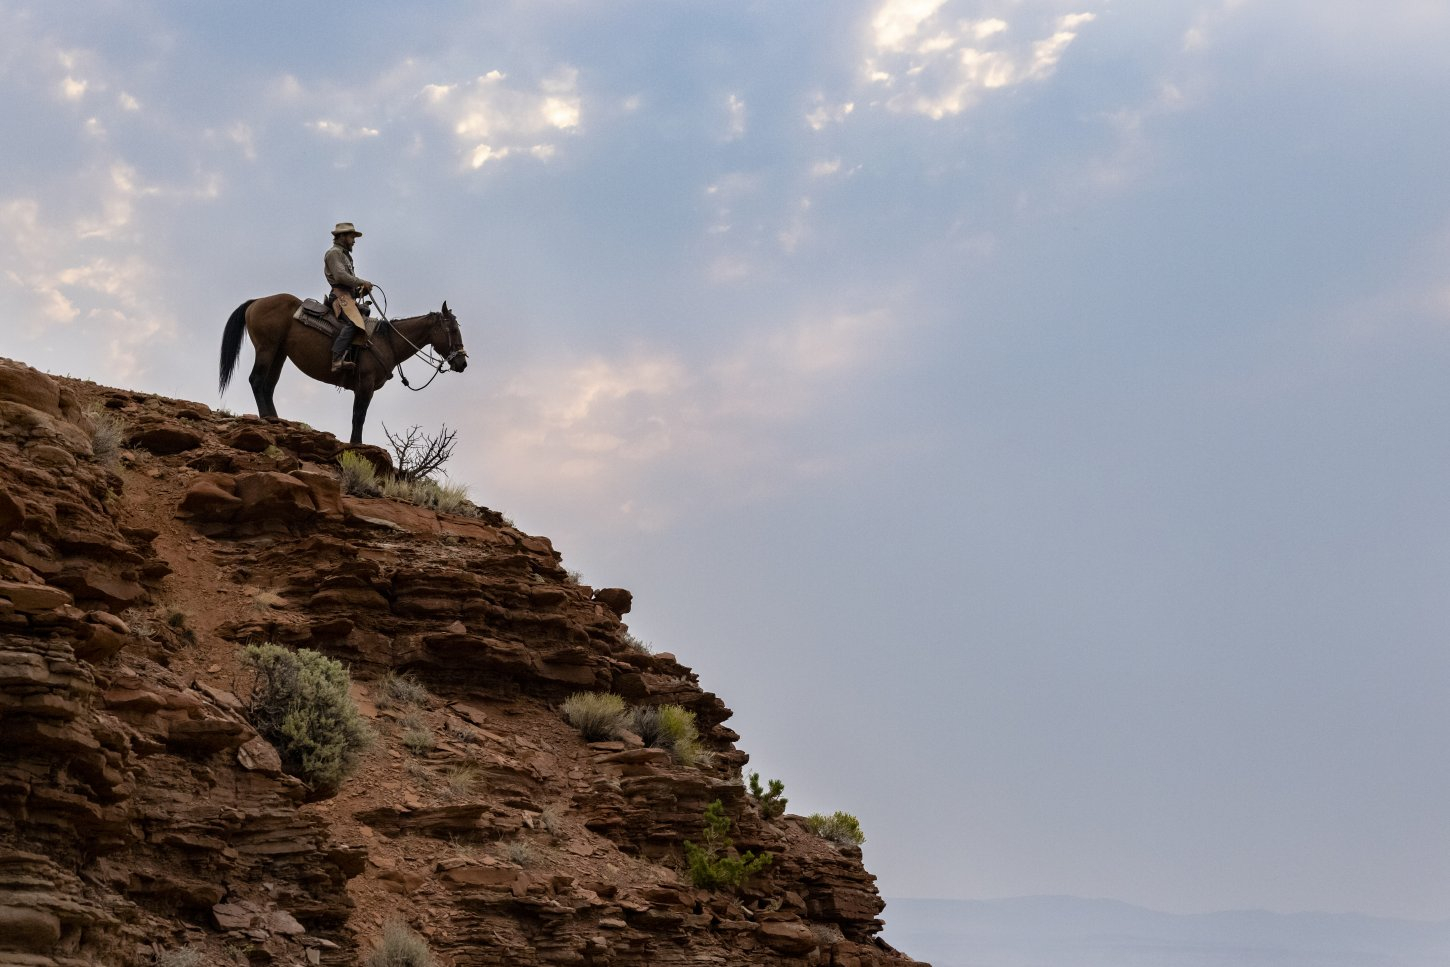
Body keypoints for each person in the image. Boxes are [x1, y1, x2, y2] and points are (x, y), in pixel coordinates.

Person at [325, 222, 374, 372]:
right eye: (352, 237)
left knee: (365, 312)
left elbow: (347, 280)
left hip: (348, 296)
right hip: (340, 297)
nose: (354, 240)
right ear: (342, 236)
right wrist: (361, 282)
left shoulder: (345, 256)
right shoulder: (334, 253)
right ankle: (337, 358)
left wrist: (359, 290)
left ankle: (354, 356)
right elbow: (340, 276)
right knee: (354, 322)